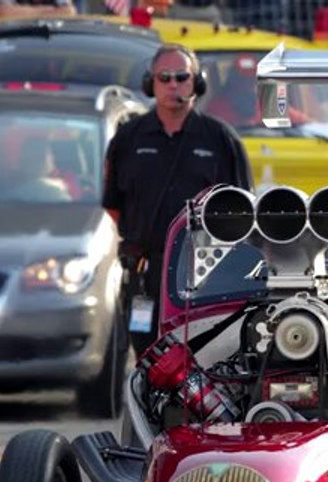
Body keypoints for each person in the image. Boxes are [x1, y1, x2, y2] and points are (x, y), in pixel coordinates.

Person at [103, 44, 252, 349]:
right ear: (151, 84)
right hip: (145, 274)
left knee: (202, 358)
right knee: (148, 360)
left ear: (197, 82)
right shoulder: (128, 138)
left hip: (203, 275)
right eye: (164, 77)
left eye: (181, 77)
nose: (173, 85)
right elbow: (113, 207)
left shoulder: (221, 139)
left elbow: (242, 212)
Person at [3, 146, 72, 202]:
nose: (53, 157)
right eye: (50, 153)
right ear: (44, 158)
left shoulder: (8, 196)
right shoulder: (56, 194)